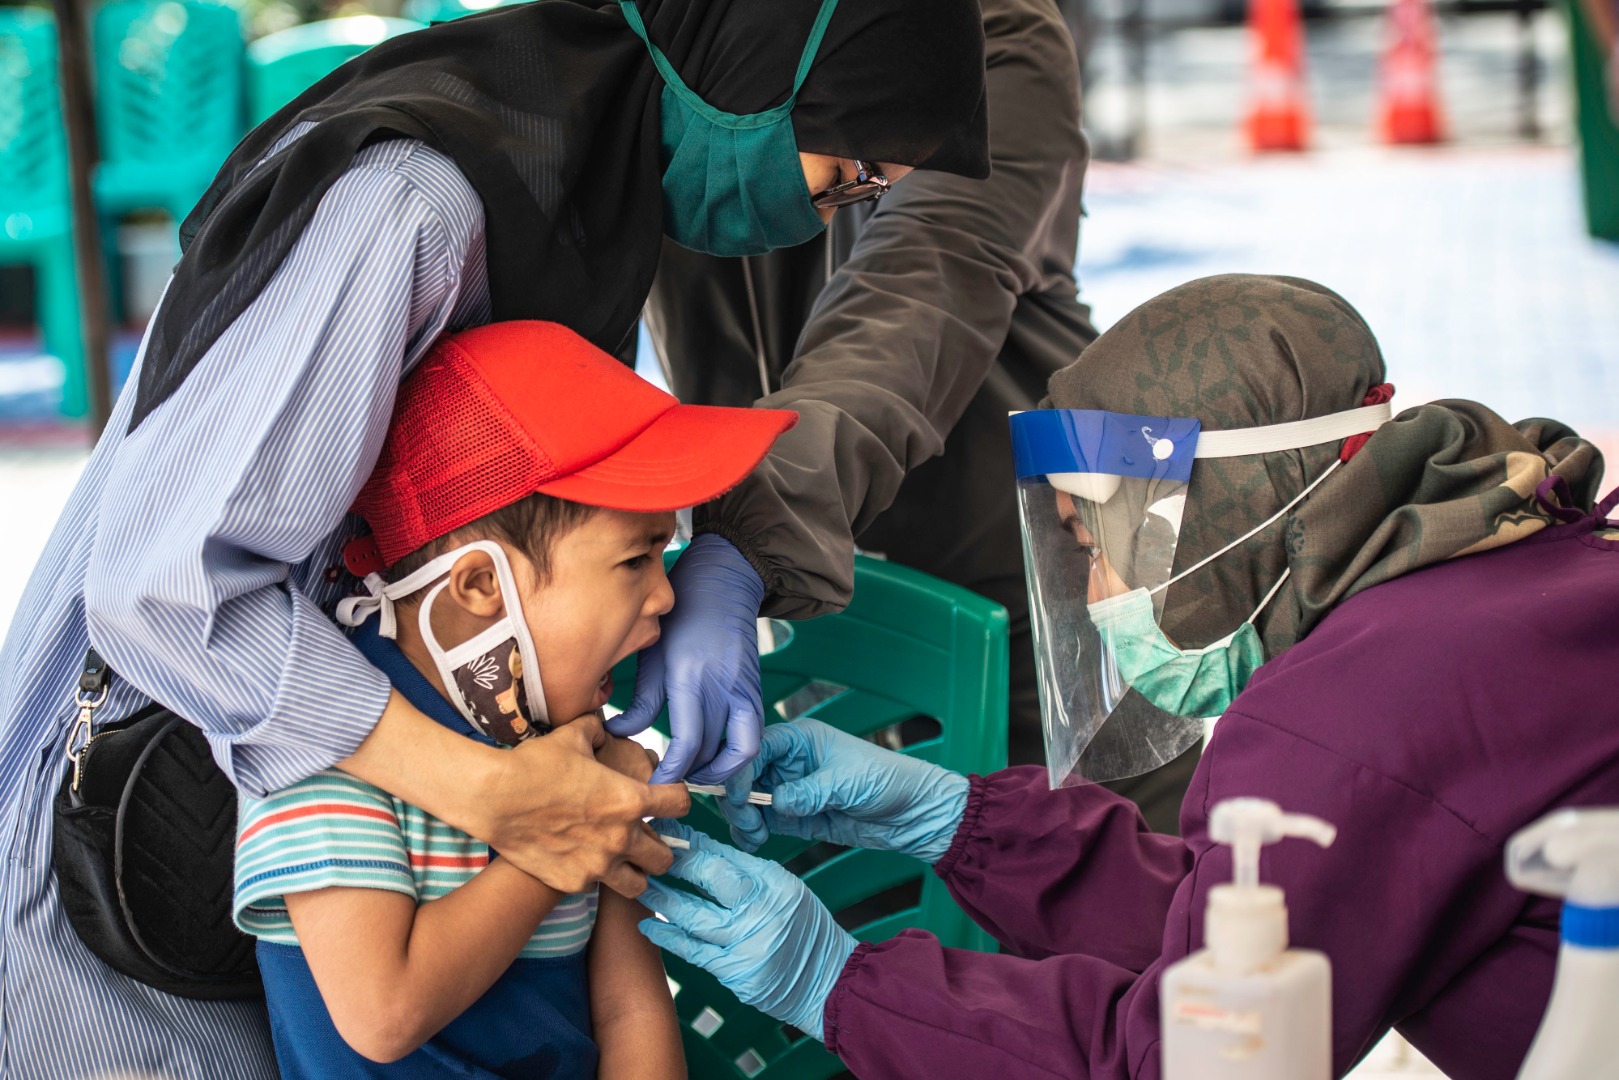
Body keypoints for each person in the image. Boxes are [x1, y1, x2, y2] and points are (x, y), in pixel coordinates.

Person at [0, 1, 991, 1073]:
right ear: (756, 66)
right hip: (137, 836)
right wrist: (501, 803)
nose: (831, 214)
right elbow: (166, 593)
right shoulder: (409, 210)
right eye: (846, 170)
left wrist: (615, 627)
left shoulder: (572, 203)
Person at [638, 274, 1619, 1079]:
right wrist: (960, 823)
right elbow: (1270, 910)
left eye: (1090, 539)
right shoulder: (1517, 560)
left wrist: (837, 980)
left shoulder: (1338, 722)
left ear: (1210, 511)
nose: (1096, 589)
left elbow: (1176, 1064)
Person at [624, 0, 1188, 817]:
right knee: (863, 887)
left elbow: (920, 288)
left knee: (1115, 878)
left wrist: (748, 531)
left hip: (1042, 562)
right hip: (800, 578)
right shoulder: (665, 34)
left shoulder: (980, 31)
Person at [234, 321, 795, 1077]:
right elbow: (382, 1014)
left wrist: (596, 810)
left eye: (664, 554)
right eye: (634, 561)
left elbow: (629, 1007)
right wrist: (565, 838)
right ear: (478, 587)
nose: (666, 596)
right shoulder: (329, 753)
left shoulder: (578, 740)